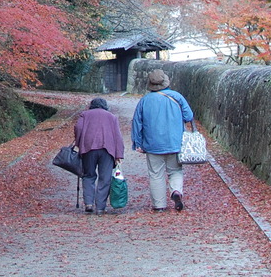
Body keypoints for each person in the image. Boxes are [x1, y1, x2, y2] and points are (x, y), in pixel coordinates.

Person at [131, 69, 196, 212]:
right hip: (175, 142)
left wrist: (137, 142)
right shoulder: (177, 97)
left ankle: (159, 205)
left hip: (152, 144)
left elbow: (137, 122)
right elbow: (189, 116)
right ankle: (176, 191)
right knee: (175, 171)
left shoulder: (144, 101)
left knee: (156, 174)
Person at [73, 97, 125, 215]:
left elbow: (78, 128)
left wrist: (79, 142)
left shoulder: (84, 115)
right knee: (105, 178)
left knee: (88, 175)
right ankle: (100, 207)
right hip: (108, 149)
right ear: (105, 106)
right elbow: (117, 136)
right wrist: (118, 154)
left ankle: (89, 203)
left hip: (88, 148)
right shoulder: (111, 117)